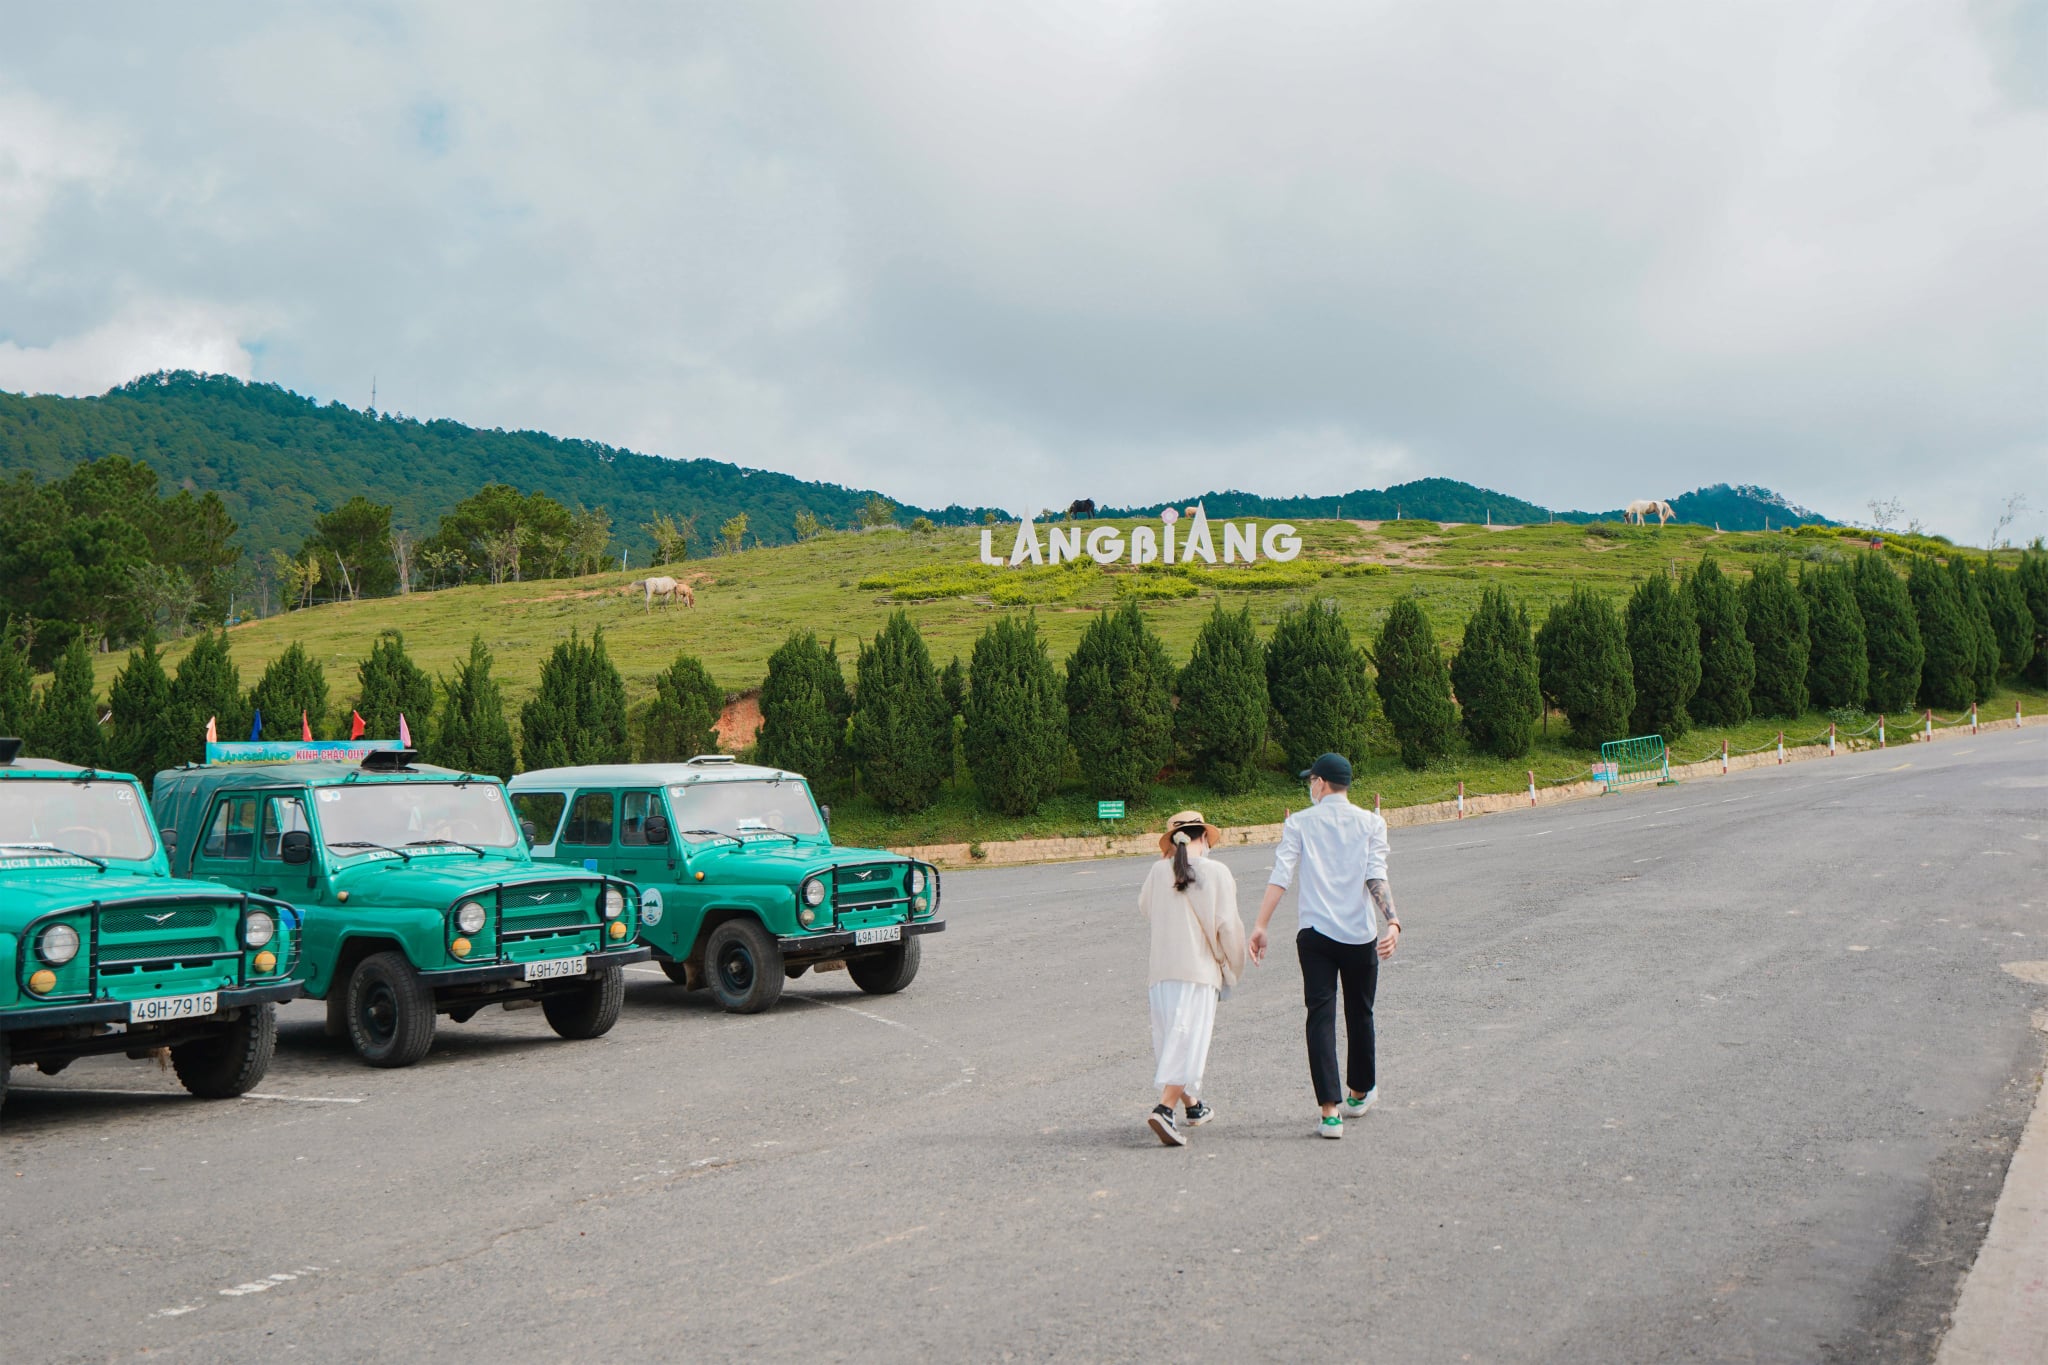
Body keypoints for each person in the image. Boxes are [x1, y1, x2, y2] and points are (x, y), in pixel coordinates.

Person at [1247, 753, 1402, 1139]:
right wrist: (1393, 921)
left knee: (1320, 1015)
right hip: (1360, 934)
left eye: (1310, 781)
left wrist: (1261, 925)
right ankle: (1358, 1092)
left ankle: (1329, 1113)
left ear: (1320, 783)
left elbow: (1281, 875)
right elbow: (1376, 877)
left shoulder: (1299, 822)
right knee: (1360, 1012)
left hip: (1315, 935)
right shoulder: (1371, 823)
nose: (1309, 788)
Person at [1138, 810, 1247, 1147]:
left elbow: (1145, 907)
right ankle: (1165, 1108)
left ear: (1172, 842)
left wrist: (1164, 863)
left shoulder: (1158, 871)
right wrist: (1235, 965)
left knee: (1172, 1037)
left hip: (1161, 972)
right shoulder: (1216, 872)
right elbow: (1228, 926)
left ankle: (1193, 1106)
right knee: (1188, 1039)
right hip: (1198, 972)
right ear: (1203, 837)